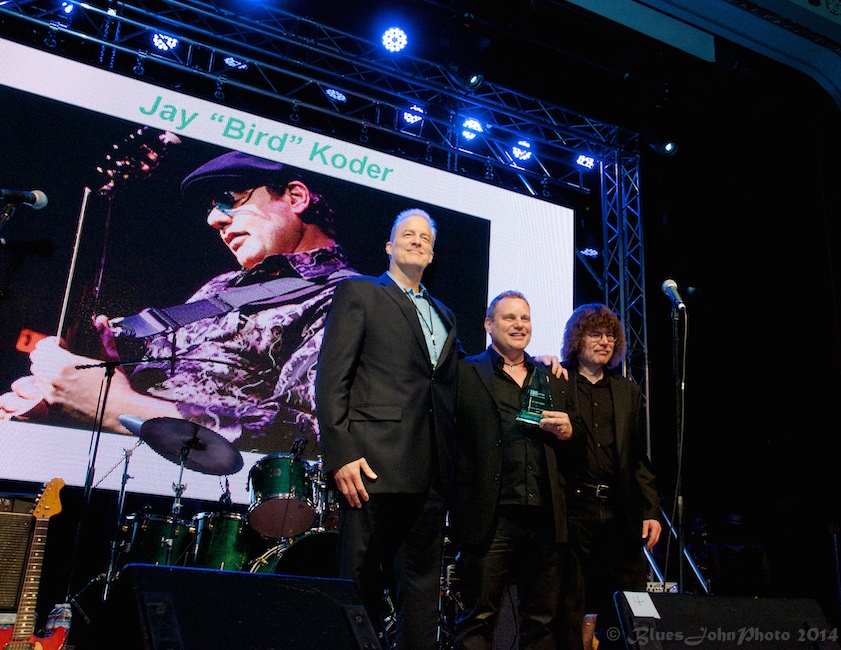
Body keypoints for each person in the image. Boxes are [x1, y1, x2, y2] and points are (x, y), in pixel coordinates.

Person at [0, 150, 358, 456]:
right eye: (212, 207)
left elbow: (309, 433)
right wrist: (73, 391)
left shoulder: (353, 298)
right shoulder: (219, 287)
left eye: (231, 198)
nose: (214, 218)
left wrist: (119, 408)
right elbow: (145, 387)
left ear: (296, 197)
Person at [315, 208, 460, 649]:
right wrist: (340, 454)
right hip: (370, 466)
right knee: (357, 583)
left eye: (425, 238)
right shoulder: (359, 292)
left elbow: (457, 382)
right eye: (407, 234)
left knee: (420, 589)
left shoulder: (445, 315)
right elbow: (330, 379)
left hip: (430, 471)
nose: (417, 241)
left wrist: (530, 364)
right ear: (389, 247)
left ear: (432, 254)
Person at [449, 290, 576, 650]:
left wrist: (569, 433)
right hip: (489, 518)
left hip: (545, 517)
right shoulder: (466, 373)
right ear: (489, 324)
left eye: (525, 318)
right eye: (509, 318)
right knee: (477, 619)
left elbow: (575, 448)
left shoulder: (552, 375)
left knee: (542, 622)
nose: (519, 325)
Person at [559, 303, 662, 650]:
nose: (604, 341)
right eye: (595, 334)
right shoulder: (560, 383)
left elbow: (637, 460)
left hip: (620, 512)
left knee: (633, 602)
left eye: (610, 335)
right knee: (572, 601)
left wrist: (650, 511)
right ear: (577, 339)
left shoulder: (627, 392)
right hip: (576, 510)